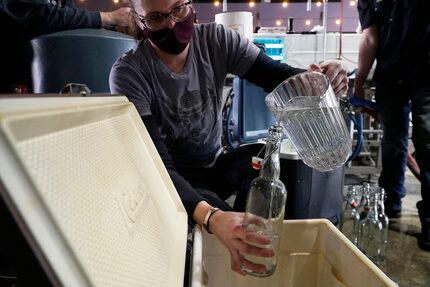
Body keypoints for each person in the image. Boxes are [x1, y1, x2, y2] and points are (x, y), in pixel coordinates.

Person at [109, 0, 349, 277]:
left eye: (178, 9)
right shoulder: (129, 73)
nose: (172, 24)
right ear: (139, 21)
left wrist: (322, 78)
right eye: (155, 18)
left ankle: (242, 233)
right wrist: (213, 217)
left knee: (263, 160)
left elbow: (277, 76)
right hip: (169, 182)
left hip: (213, 168)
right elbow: (155, 163)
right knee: (221, 225)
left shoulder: (217, 40)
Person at [354, 0, 430, 250]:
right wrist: (359, 81)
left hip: (427, 72)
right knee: (392, 140)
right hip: (391, 73)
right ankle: (389, 203)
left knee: (428, 141)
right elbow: (370, 36)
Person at [0, 0, 131, 93]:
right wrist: (109, 17)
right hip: (13, 77)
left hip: (43, 76)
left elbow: (69, 19)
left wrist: (112, 24)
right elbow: (43, 16)